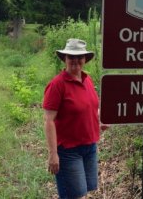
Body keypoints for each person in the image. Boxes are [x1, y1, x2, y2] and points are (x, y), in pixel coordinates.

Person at [43, 38, 101, 199]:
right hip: (68, 151)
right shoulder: (57, 85)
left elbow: (91, 106)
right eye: (71, 57)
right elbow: (49, 120)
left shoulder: (87, 79)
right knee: (73, 195)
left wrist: (98, 120)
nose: (75, 61)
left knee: (84, 191)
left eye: (79, 57)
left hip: (89, 147)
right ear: (65, 59)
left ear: (85, 59)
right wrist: (53, 154)